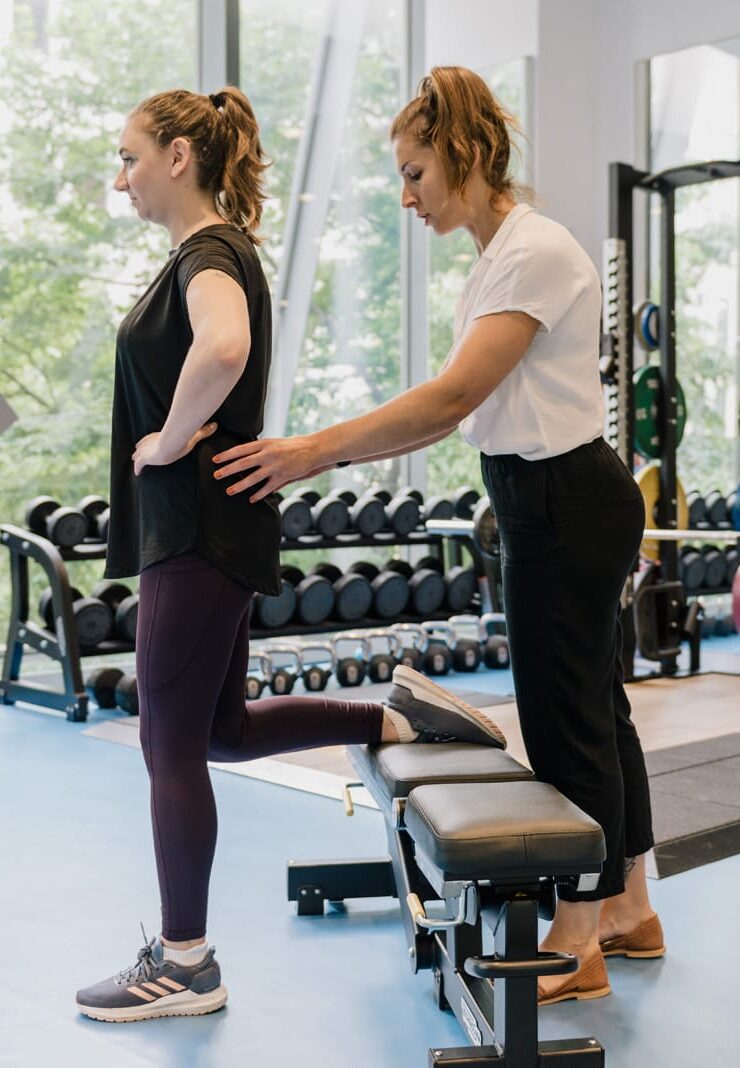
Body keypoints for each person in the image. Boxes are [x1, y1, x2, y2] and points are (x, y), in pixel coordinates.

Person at [212, 66, 665, 1007]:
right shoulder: (501, 254)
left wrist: (313, 451)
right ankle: (628, 908)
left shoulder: (534, 250)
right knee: (595, 703)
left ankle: (577, 939)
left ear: (463, 155)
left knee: (564, 713)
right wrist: (329, 454)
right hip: (546, 494)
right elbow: (460, 414)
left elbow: (455, 397)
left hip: (565, 498)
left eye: (416, 172)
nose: (408, 194)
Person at [75, 84, 506, 1025]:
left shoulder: (209, 252)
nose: (122, 180)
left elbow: (222, 348)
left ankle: (185, 962)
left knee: (165, 742)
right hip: (213, 532)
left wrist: (168, 439)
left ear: (178, 158)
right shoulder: (211, 252)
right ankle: (392, 721)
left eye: (129, 157)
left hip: (195, 532)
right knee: (216, 731)